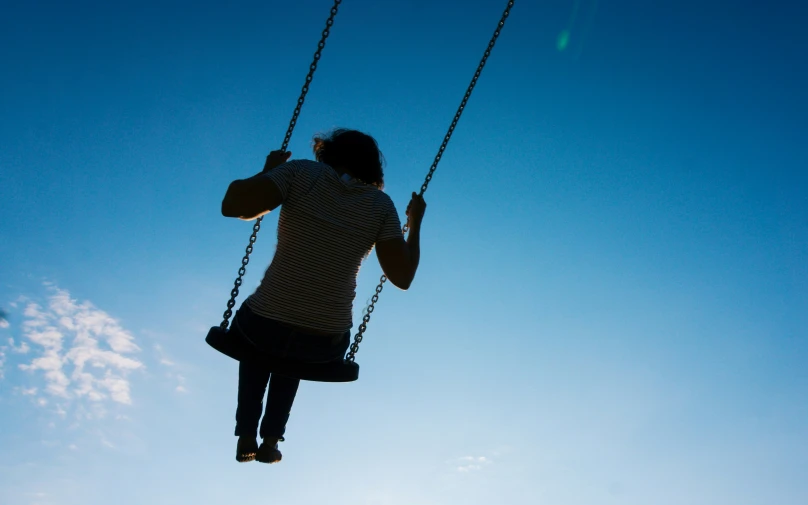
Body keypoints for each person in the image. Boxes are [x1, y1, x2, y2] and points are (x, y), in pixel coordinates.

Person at [220, 128, 427, 464]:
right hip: (323, 343)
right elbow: (402, 277)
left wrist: (268, 172)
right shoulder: (381, 206)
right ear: (373, 167)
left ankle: (246, 433)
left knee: (262, 329)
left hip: (261, 328)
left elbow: (232, 206)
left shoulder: (300, 172)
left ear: (326, 154)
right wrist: (415, 224)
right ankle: (271, 438)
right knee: (298, 342)